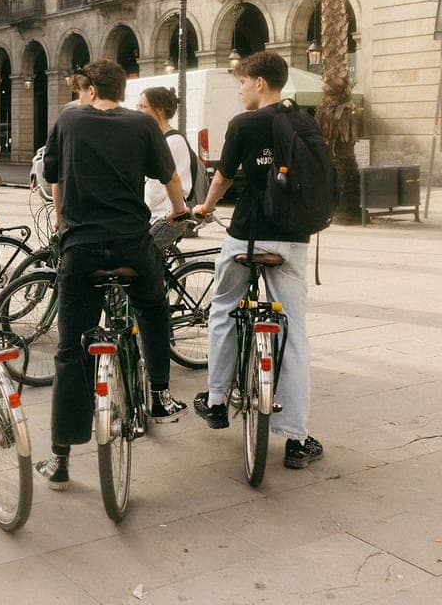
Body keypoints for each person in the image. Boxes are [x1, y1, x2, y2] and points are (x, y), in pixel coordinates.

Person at [38, 59, 189, 490]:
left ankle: (61, 458)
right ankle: (159, 391)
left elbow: (55, 176)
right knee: (153, 307)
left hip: (81, 249)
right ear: (123, 90)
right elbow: (171, 176)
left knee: (72, 349)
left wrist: (61, 218)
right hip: (131, 245)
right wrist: (179, 212)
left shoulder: (68, 120)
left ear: (89, 88)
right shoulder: (143, 125)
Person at [191, 51, 323, 470]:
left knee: (225, 308)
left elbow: (224, 175)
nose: (241, 89)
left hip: (248, 236)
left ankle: (215, 400)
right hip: (293, 239)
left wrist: (206, 207)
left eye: (243, 83)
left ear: (261, 83)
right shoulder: (305, 121)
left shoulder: (244, 124)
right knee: (294, 332)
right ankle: (297, 440)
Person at [136, 87, 193, 220]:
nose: (138, 111)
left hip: (163, 216)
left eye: (142, 106)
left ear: (159, 109)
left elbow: (156, 188)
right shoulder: (161, 138)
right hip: (159, 214)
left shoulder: (172, 141)